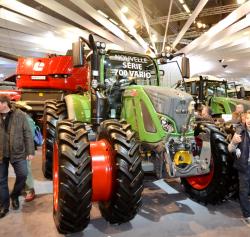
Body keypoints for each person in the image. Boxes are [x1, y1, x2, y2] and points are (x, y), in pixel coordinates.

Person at [0, 95, 35, 218]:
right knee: (1, 181)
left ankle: (14, 195)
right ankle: (4, 206)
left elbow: (27, 133)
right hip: (1, 153)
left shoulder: (19, 115)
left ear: (4, 104)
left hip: (18, 151)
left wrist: (30, 151)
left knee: (23, 174)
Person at [228, 110, 250, 225]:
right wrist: (233, 143)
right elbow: (230, 149)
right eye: (247, 118)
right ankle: (247, 215)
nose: (249, 121)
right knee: (244, 191)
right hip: (244, 167)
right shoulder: (240, 131)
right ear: (244, 119)